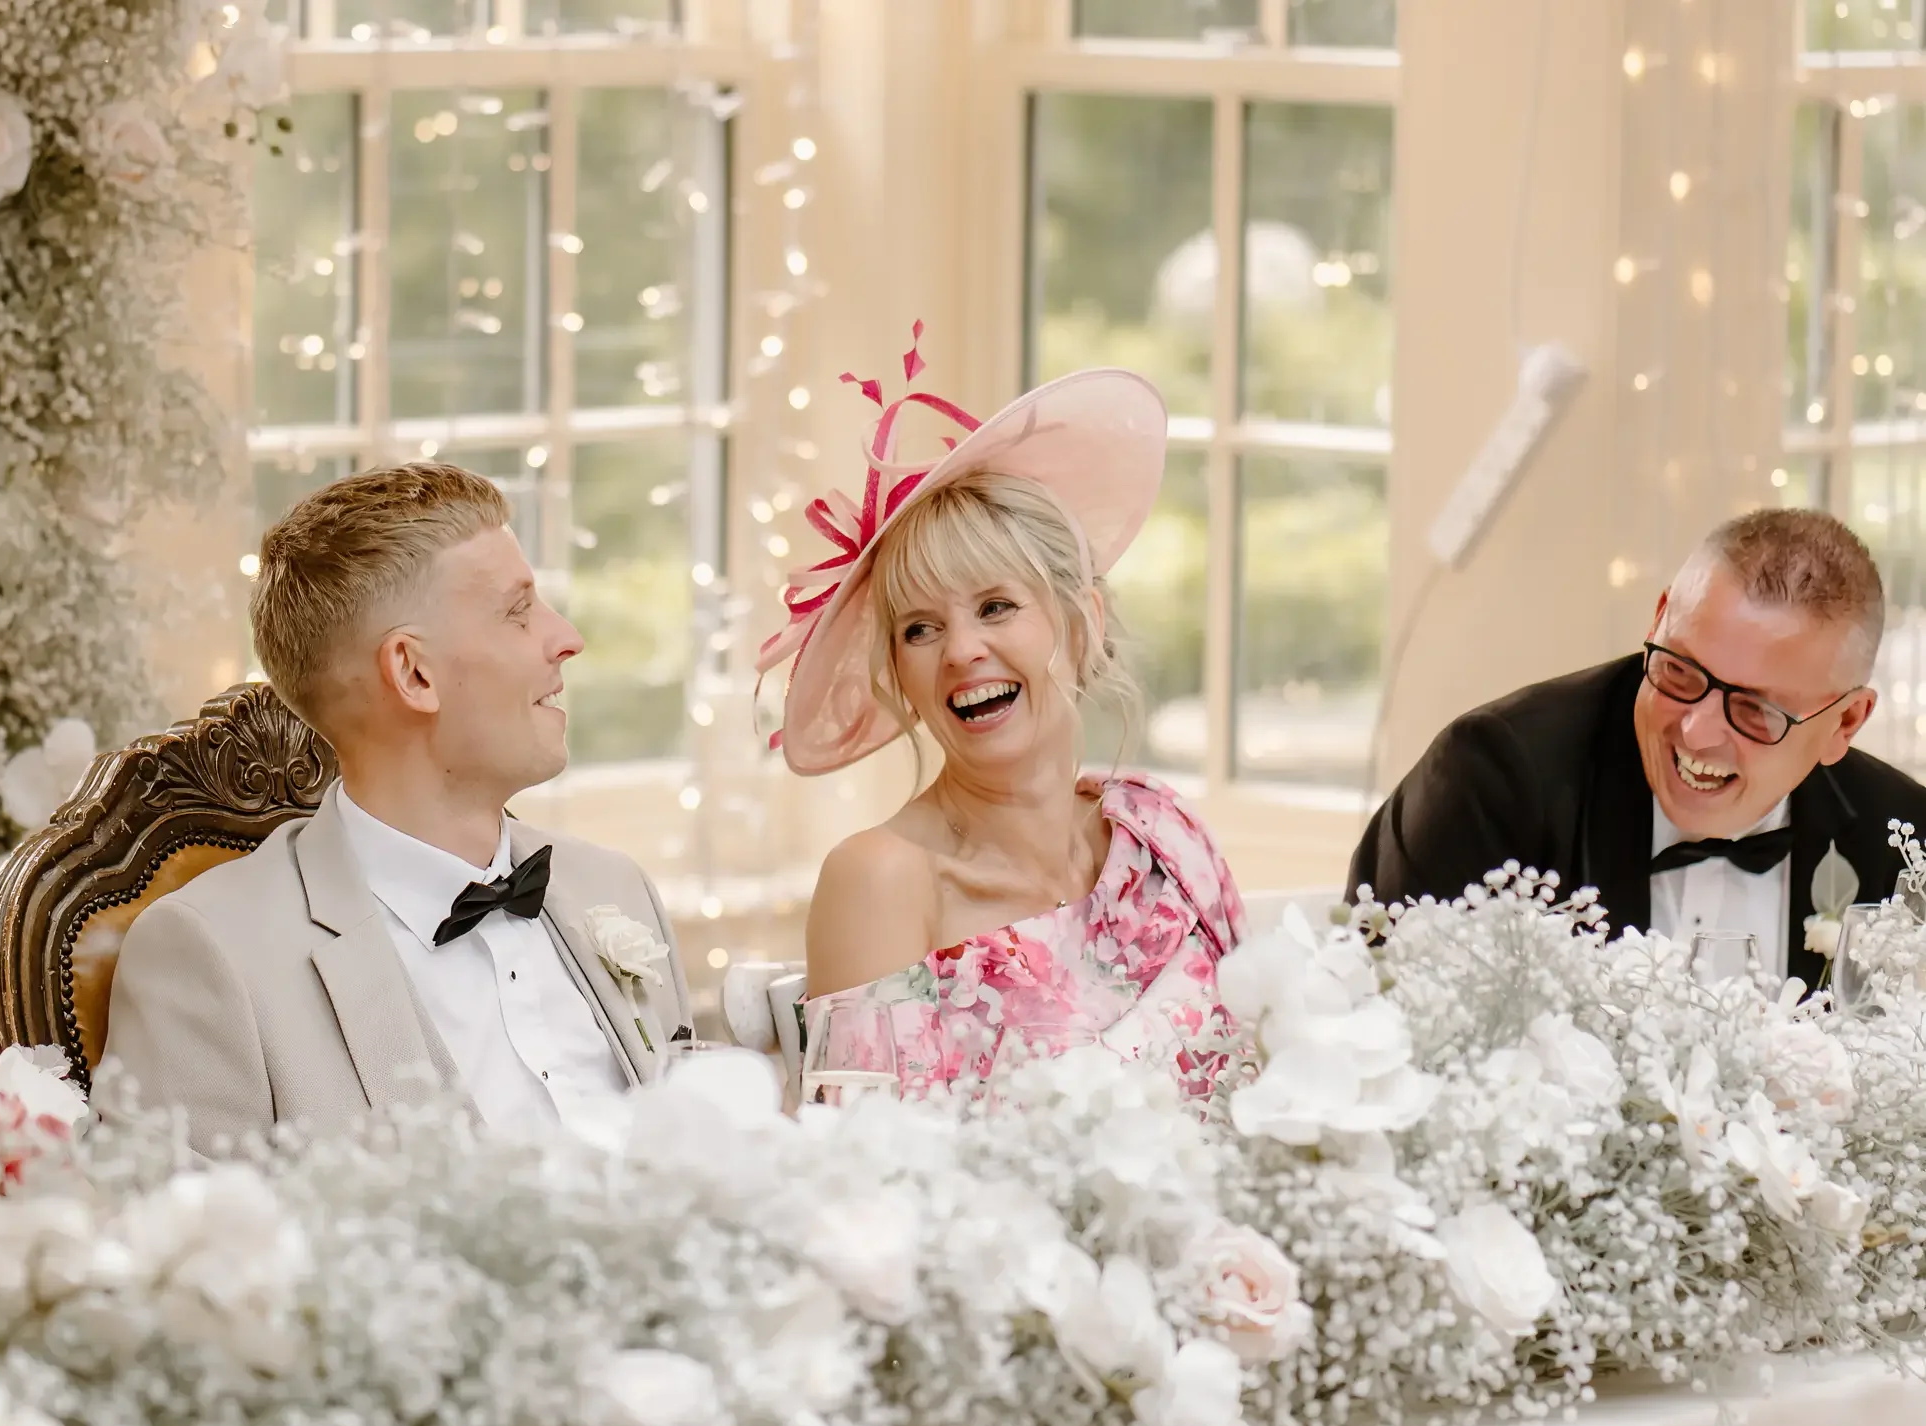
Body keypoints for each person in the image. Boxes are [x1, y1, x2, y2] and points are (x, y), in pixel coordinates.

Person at [101, 461, 690, 1151]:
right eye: (518, 610)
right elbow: (190, 1251)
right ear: (414, 673)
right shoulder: (210, 957)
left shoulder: (614, 888)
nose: (567, 637)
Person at [785, 338, 1244, 1099]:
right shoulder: (882, 880)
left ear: (1081, 620)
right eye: (920, 629)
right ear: (898, 671)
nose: (962, 651)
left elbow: (1267, 1081)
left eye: (996, 607)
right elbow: (866, 1186)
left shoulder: (1161, 831)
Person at [1350, 507, 1926, 991]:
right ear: (1660, 618)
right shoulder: (1494, 780)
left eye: (1755, 710)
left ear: (1845, 722)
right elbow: (1377, 1029)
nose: (1697, 732)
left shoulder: (1903, 842)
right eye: (1679, 671)